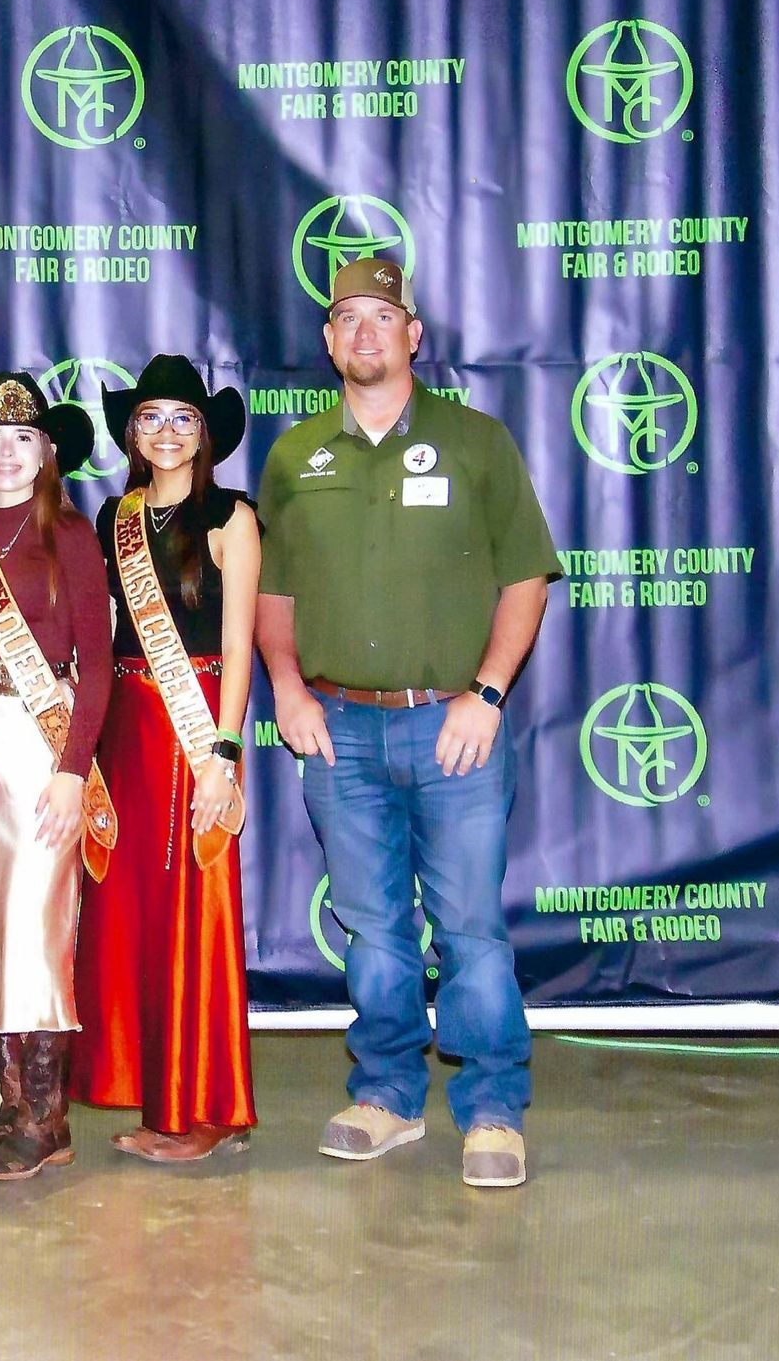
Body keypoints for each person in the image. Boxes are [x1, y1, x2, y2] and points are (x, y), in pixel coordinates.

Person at [255, 257, 559, 1189]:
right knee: (375, 928)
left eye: (383, 316)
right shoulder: (295, 455)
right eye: (347, 318)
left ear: (414, 334)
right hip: (339, 729)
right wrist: (290, 688)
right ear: (328, 341)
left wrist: (489, 691)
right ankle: (387, 1094)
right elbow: (274, 593)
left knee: (469, 926)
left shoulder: (476, 443)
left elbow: (525, 577)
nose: (365, 333)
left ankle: (494, 1107)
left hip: (452, 728)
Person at [71, 354, 260, 1163]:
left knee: (197, 914)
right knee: (134, 917)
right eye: (152, 417)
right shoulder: (115, 516)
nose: (168, 431)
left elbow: (242, 642)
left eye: (184, 417)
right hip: (126, 733)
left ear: (205, 433)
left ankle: (205, 1107)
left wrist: (222, 750)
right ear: (131, 433)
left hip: (195, 732)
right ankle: (155, 1093)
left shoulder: (232, 515)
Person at [0, 372, 114, 1180]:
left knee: (36, 928)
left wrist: (74, 770)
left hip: (43, 741)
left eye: (23, 438)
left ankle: (49, 1110)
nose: (6, 452)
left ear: (47, 453)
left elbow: (99, 664)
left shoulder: (70, 534)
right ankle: (14, 1101)